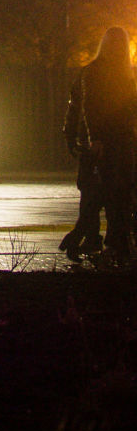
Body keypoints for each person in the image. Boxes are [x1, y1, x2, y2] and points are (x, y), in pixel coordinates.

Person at [60, 26, 137, 264]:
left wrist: (76, 138)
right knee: (112, 195)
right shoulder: (115, 74)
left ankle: (92, 239)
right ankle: (107, 242)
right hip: (110, 143)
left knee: (96, 194)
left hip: (104, 143)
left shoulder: (94, 72)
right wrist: (95, 138)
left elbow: (79, 109)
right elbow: (90, 108)